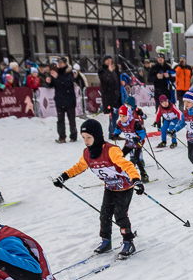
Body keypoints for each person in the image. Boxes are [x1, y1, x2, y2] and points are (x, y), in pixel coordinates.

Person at [53, 119, 143, 257]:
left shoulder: (110, 150)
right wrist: (63, 177)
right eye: (83, 138)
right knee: (105, 215)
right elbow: (79, 167)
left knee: (120, 215)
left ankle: (128, 242)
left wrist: (136, 180)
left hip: (124, 186)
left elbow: (127, 165)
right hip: (109, 187)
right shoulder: (87, 154)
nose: (86, 141)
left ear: (98, 136)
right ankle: (106, 240)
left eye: (89, 137)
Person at [115, 103, 150, 183]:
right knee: (120, 157)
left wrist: (138, 137)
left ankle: (144, 174)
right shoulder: (120, 123)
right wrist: (114, 135)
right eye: (120, 116)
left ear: (128, 115)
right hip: (129, 143)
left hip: (138, 143)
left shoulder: (135, 123)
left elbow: (142, 133)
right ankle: (119, 175)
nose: (122, 118)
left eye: (124, 116)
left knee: (136, 159)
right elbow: (118, 130)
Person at [49, 57, 78, 144]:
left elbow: (68, 83)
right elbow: (52, 84)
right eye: (59, 62)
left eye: (61, 62)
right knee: (60, 120)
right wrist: (48, 81)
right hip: (59, 99)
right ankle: (62, 137)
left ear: (65, 63)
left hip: (69, 99)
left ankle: (73, 136)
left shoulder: (69, 72)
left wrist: (58, 77)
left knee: (71, 119)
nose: (60, 64)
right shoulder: (56, 71)